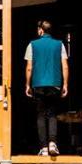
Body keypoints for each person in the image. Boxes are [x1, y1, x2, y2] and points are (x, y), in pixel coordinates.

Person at [25, 19, 68, 156]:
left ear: (40, 30)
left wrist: (27, 85)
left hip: (38, 84)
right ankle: (52, 143)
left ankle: (43, 147)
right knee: (52, 114)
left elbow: (29, 68)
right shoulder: (60, 45)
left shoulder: (32, 45)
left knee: (40, 114)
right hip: (55, 84)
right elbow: (65, 66)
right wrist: (65, 84)